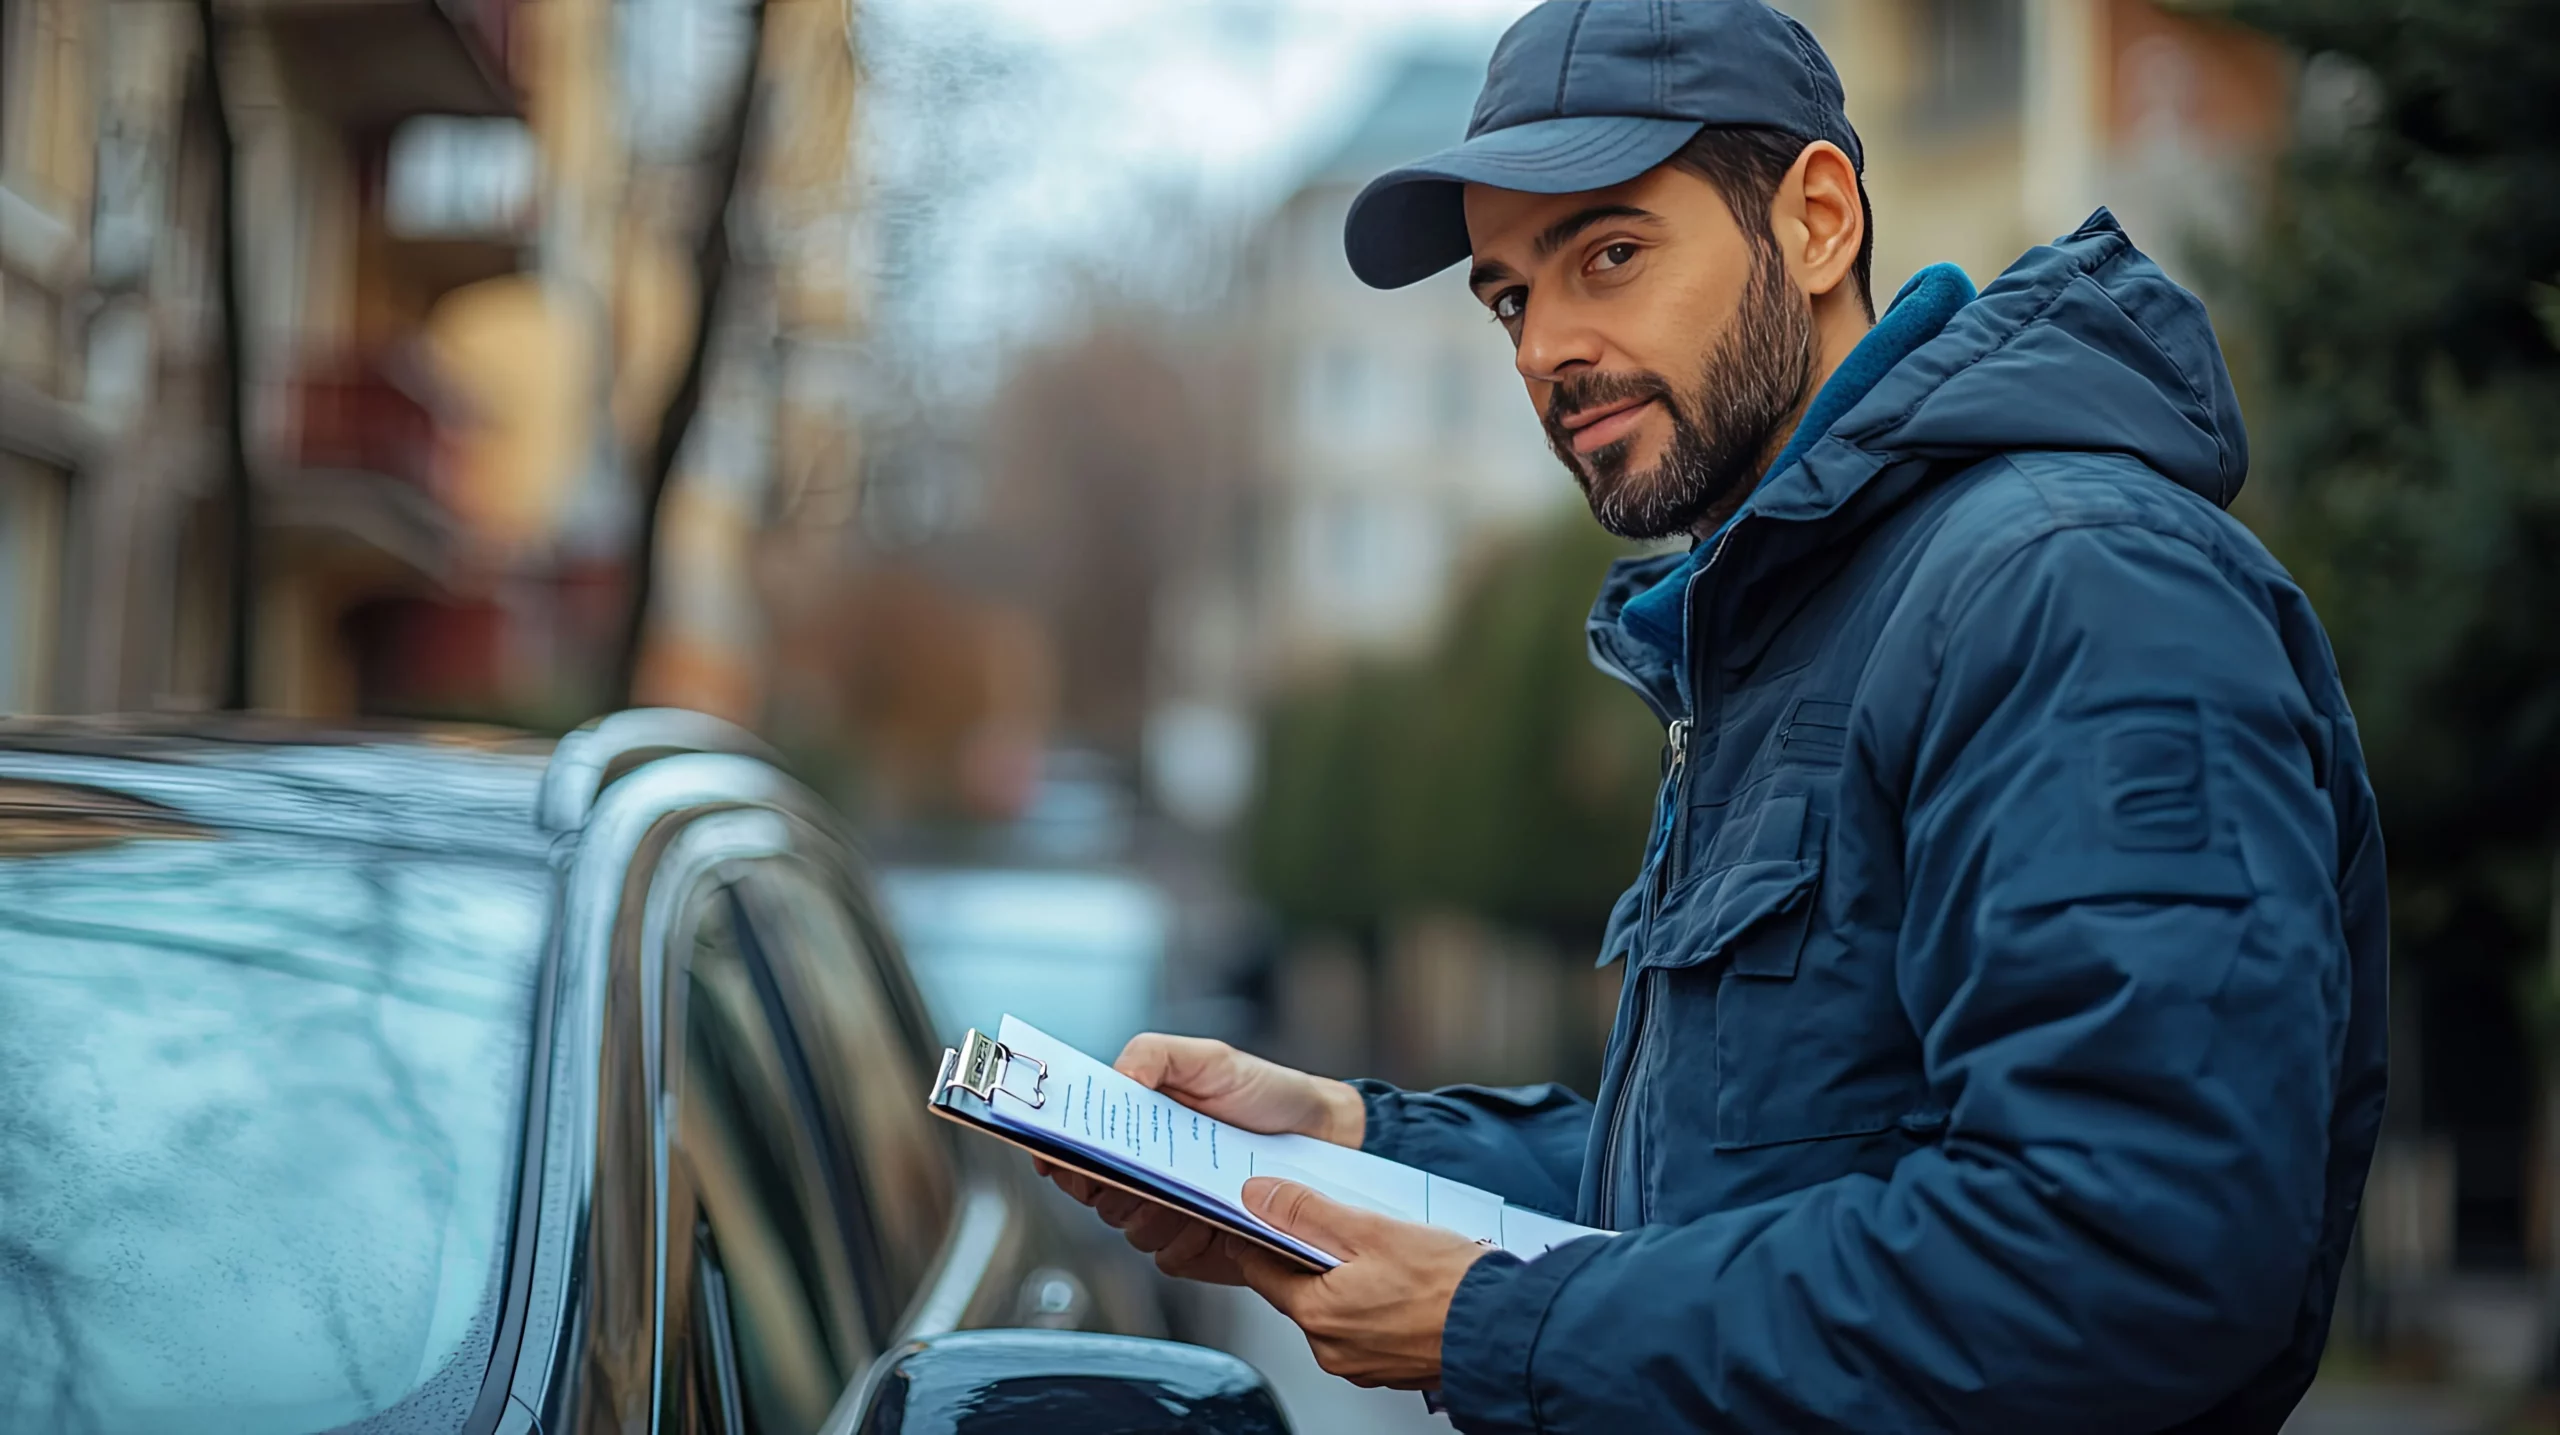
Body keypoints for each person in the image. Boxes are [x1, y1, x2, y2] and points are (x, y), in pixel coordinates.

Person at [1043, 2, 2387, 1429]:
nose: (1546, 350)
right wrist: (1351, 1140)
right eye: (1509, 297)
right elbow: (1733, 1181)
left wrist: (1509, 1323)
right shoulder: (1796, 625)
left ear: (1814, 222)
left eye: (1609, 255)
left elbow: (2135, 1255)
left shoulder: (2072, 588)